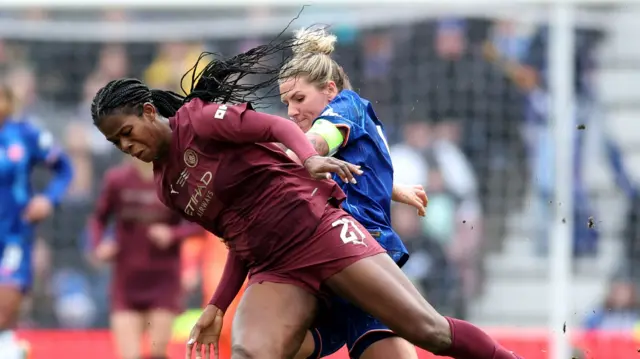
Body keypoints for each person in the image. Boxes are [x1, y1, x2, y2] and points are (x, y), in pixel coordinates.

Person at [91, 40, 522, 359]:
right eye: (116, 142)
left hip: (324, 235)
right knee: (253, 353)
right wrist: (216, 305)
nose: (126, 145)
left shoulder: (201, 121)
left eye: (127, 132)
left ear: (149, 112)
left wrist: (310, 159)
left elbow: (276, 131)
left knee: (430, 333)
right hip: (276, 269)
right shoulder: (169, 188)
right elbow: (239, 242)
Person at [278, 28, 422, 359]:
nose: (290, 112)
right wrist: (396, 190)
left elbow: (316, 145)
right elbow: (357, 169)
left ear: (329, 90)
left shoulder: (346, 106)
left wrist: (270, 163)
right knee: (274, 342)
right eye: (286, 102)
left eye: (298, 99)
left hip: (358, 251)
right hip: (329, 253)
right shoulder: (354, 117)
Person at [90, 156, 204, 359]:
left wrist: (172, 234)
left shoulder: (174, 182)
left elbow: (200, 223)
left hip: (163, 281)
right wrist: (100, 245)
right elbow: (99, 219)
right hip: (126, 283)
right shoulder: (117, 180)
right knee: (129, 354)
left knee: (158, 353)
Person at [0, 83, 73, 359]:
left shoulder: (24, 134)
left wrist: (48, 199)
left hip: (14, 235)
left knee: (5, 304)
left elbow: (64, 167)